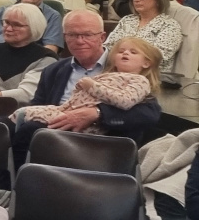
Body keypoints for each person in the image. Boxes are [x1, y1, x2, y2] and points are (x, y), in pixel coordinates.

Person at [11, 16, 162, 170]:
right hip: (54, 131)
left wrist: (97, 113)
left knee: (29, 131)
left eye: (87, 35)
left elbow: (149, 114)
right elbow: (39, 104)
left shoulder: (124, 66)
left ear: (102, 37)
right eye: (72, 35)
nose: (80, 41)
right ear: (64, 38)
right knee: (8, 128)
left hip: (102, 143)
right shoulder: (54, 70)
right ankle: (10, 185)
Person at [107, 0, 182, 82]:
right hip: (116, 77)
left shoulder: (169, 26)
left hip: (149, 80)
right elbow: (109, 48)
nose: (136, 0)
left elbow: (157, 58)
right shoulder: (127, 20)